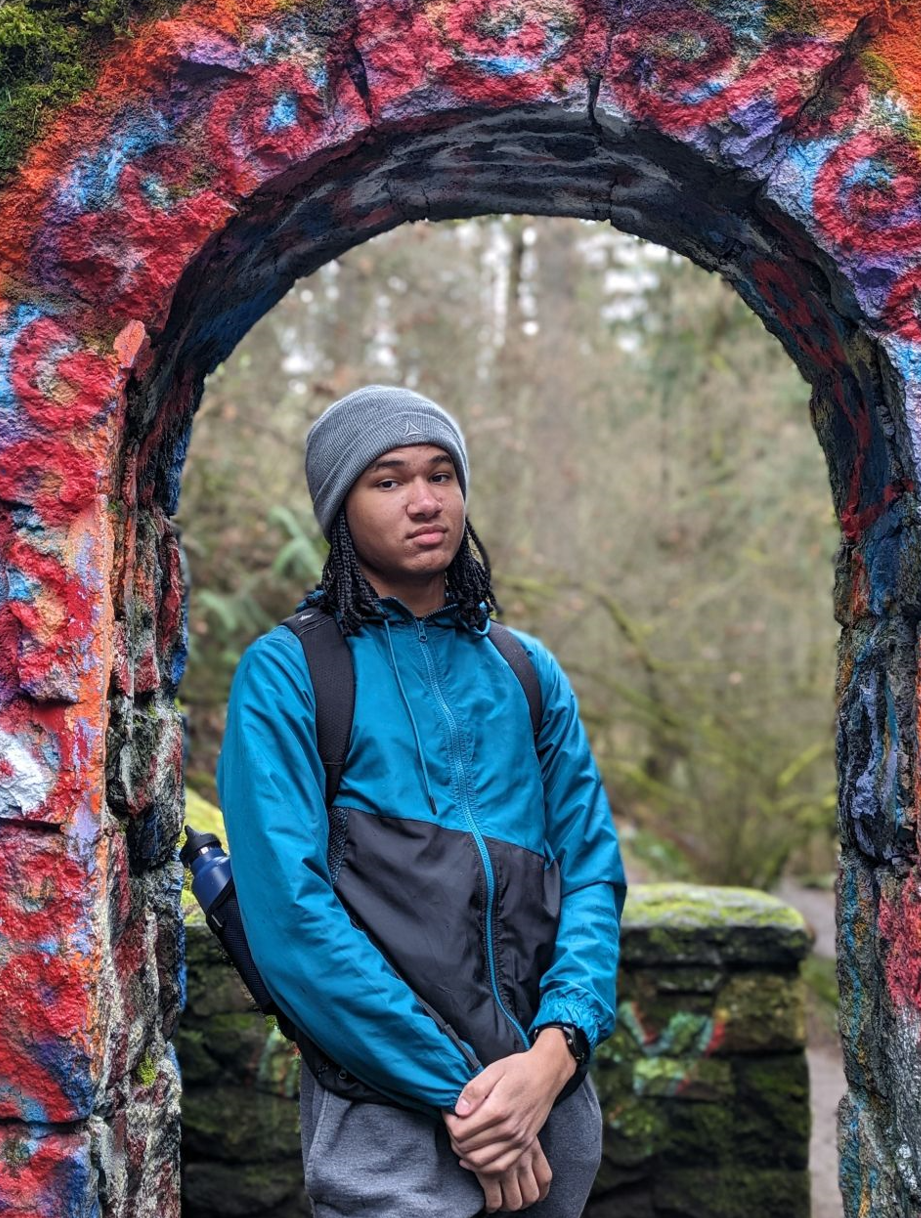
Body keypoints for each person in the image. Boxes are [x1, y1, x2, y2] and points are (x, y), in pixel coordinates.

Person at [217, 385, 627, 1216]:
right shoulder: (290, 673)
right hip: (390, 1116)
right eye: (389, 480)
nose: (426, 500)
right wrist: (470, 1099)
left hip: (550, 1114)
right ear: (342, 506)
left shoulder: (525, 670)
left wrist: (553, 1059)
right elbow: (291, 919)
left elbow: (591, 873)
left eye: (442, 473)